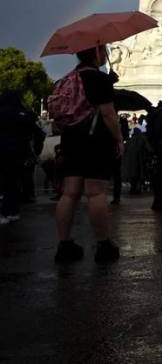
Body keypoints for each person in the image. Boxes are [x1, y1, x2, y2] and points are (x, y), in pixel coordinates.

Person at [53, 46, 124, 263]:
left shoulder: (67, 78)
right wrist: (119, 139)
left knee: (69, 193)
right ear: (96, 54)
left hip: (71, 140)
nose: (105, 55)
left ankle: (64, 245)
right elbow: (108, 114)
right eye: (102, 51)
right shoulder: (98, 79)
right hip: (95, 141)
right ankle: (103, 245)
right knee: (95, 193)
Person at [0, 91, 43, 224]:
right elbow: (39, 133)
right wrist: (36, 151)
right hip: (19, 152)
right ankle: (13, 211)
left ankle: (5, 211)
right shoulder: (24, 114)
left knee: (4, 181)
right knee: (13, 181)